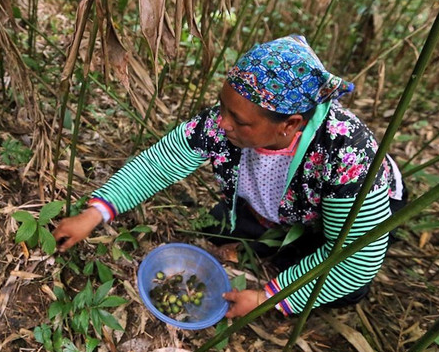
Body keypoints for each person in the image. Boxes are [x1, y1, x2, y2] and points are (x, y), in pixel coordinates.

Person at [52, 35, 405, 319]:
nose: (222, 123)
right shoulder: (229, 119)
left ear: (290, 124)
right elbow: (160, 162)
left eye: (238, 120)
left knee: (342, 282)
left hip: (351, 212)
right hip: (279, 203)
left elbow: (355, 257)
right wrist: (95, 213)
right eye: (222, 108)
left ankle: (296, 254)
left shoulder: (347, 156)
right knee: (216, 225)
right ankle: (274, 231)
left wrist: (270, 298)